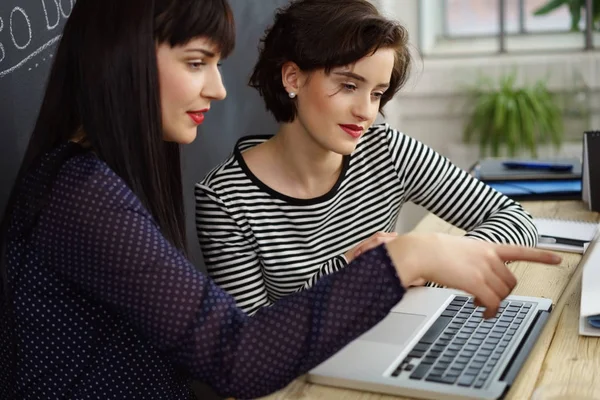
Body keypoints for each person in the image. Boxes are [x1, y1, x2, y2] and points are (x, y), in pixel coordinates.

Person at [0, 0, 560, 399]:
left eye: (379, 93)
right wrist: (402, 260)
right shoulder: (83, 193)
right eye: (197, 63)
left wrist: (425, 264)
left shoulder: (99, 180)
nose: (218, 89)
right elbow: (240, 356)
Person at [195, 0, 541, 316]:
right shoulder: (225, 198)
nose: (366, 112)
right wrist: (356, 268)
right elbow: (250, 340)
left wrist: (431, 261)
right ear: (293, 78)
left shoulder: (385, 149)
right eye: (348, 86)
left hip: (394, 337)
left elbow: (515, 220)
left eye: (377, 94)